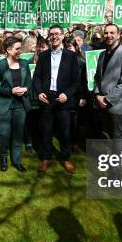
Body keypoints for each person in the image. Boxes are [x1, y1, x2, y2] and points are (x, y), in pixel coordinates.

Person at [33, 24, 79, 174]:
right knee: (46, 130)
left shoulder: (71, 56)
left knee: (64, 131)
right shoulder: (44, 55)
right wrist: (39, 92)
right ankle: (46, 157)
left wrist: (68, 94)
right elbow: (37, 77)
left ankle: (65, 158)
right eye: (51, 34)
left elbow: (76, 81)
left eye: (57, 34)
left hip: (63, 99)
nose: (54, 36)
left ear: (63, 36)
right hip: (47, 98)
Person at [0, 37, 32, 172]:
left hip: (21, 105)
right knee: (4, 133)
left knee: (18, 134)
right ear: (8, 50)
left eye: (20, 48)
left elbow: (29, 83)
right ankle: (3, 157)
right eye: (17, 48)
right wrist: (11, 91)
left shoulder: (25, 64)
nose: (20, 51)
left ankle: (16, 161)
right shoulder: (0, 65)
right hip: (5, 105)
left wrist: (25, 89)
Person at [93, 23, 122, 140]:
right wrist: (97, 95)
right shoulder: (102, 54)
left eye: (112, 33)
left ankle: (119, 159)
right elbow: (97, 77)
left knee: (118, 137)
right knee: (110, 136)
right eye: (106, 33)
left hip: (118, 105)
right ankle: (113, 158)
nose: (108, 35)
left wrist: (107, 99)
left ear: (118, 35)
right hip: (103, 104)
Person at [63, 37, 89, 152]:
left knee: (75, 122)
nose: (67, 50)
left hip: (77, 96)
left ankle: (74, 142)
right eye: (66, 47)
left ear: (76, 48)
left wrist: (83, 97)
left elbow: (85, 81)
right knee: (65, 120)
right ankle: (66, 142)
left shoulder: (82, 62)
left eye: (70, 47)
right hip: (64, 95)